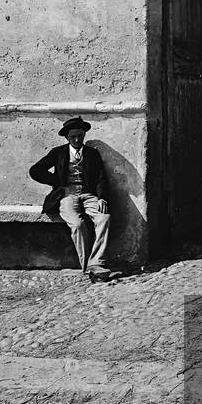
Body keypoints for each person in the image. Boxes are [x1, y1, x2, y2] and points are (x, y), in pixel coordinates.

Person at [29, 116, 121, 282]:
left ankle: (97, 263)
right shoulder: (58, 153)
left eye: (80, 135)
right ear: (67, 137)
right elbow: (35, 170)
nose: (77, 139)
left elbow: (101, 177)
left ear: (84, 134)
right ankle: (87, 268)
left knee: (104, 217)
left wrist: (101, 198)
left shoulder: (92, 154)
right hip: (67, 195)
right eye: (73, 137)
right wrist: (56, 181)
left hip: (88, 194)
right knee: (77, 224)